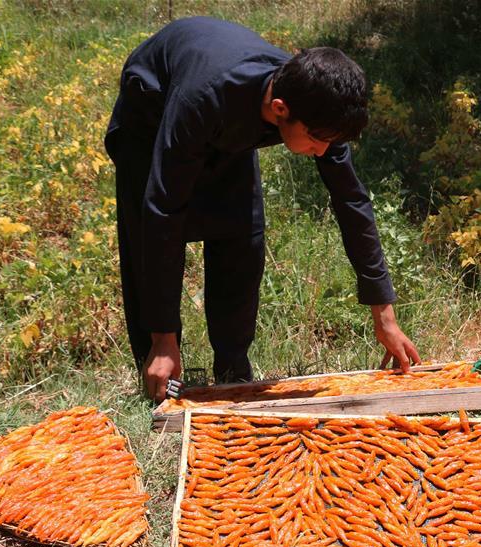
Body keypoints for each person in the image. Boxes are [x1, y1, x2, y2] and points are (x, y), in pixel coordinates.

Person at [104, 16, 420, 401]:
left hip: (226, 121)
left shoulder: (318, 103)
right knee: (150, 227)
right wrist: (163, 336)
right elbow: (162, 211)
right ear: (280, 109)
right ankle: (159, 369)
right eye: (318, 141)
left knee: (242, 232)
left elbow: (351, 200)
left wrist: (383, 316)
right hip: (153, 116)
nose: (323, 151)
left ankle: (233, 369)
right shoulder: (202, 98)